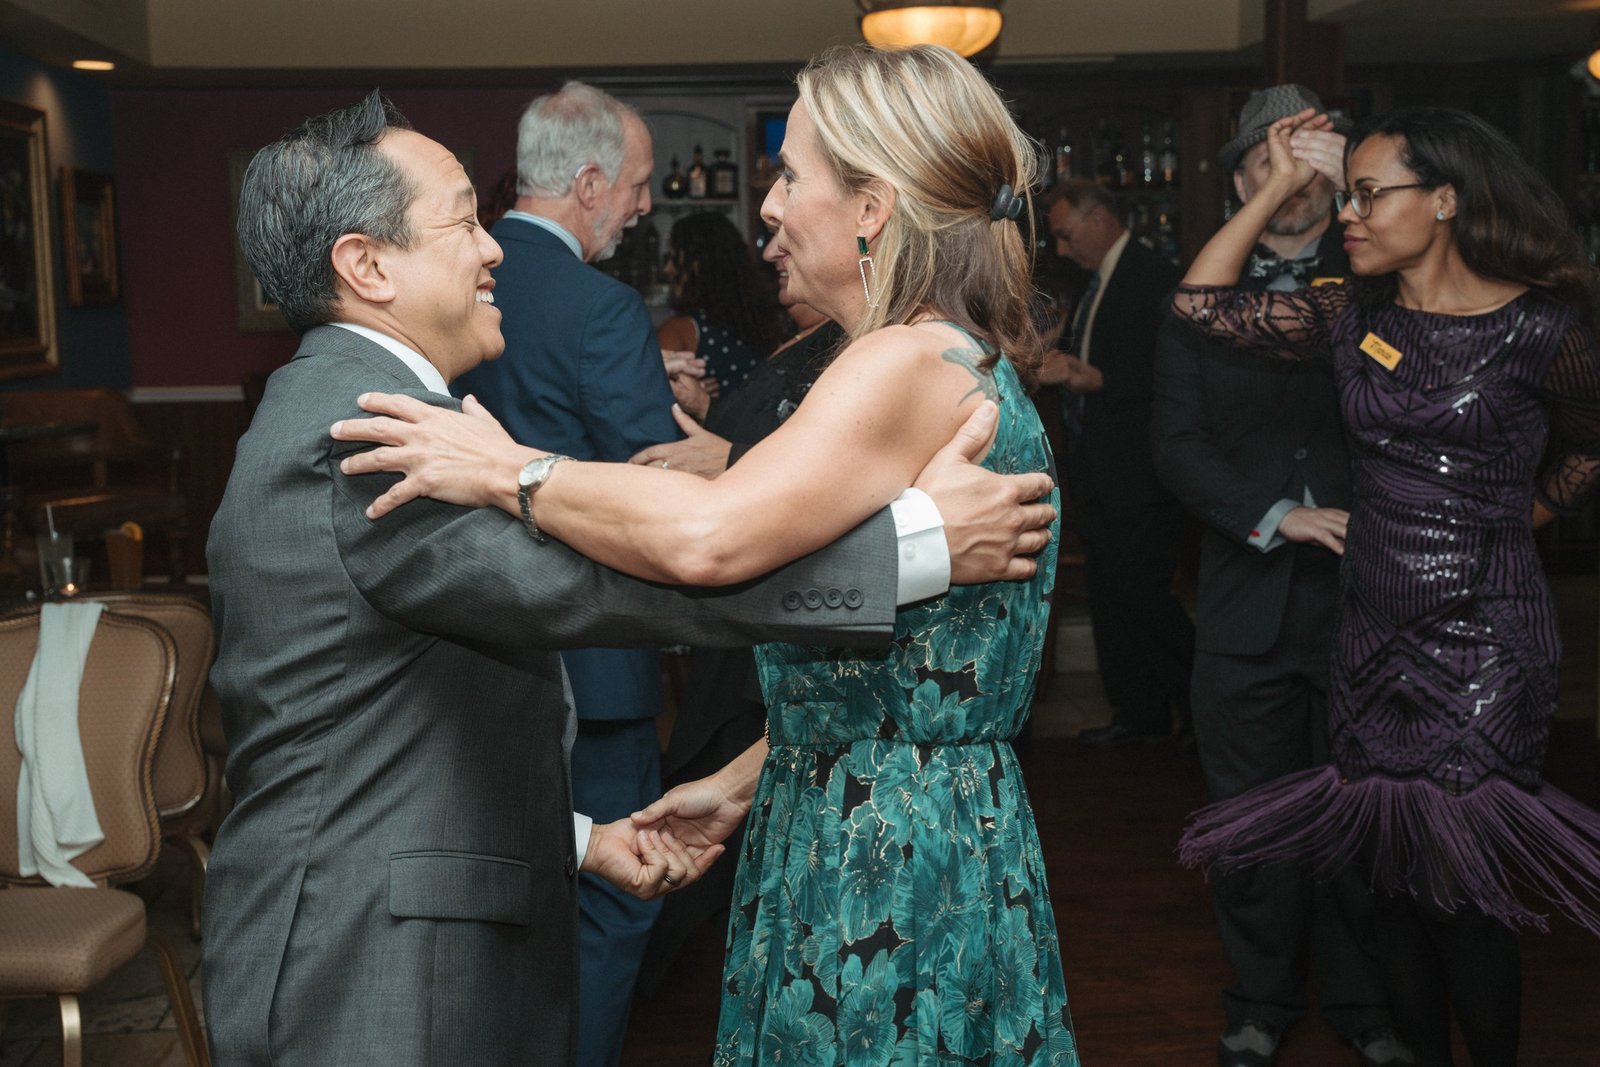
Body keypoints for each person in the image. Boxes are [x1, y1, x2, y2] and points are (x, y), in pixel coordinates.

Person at [209, 89, 1053, 1067]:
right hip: (366, 963)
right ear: (366, 265)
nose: (494, 251)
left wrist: (579, 838)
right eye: (466, 223)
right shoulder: (362, 431)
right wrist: (913, 542)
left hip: (396, 934)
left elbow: (399, 716)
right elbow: (600, 582)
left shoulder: (383, 413)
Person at [1174, 104, 1600, 1067]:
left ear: (1445, 200)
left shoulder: (1541, 329)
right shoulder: (1348, 314)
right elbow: (1199, 305)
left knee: (1460, 892)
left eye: (1368, 195)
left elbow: (1589, 445)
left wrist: (1509, 522)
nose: (1349, 214)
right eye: (1348, 194)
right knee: (1395, 890)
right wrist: (1278, 185)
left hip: (1488, 644)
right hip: (1371, 633)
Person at [1151, 84, 1404, 1067]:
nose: (1293, 176)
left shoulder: (1384, 278)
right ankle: (1258, 998)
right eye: (1271, 159)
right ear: (1242, 179)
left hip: (1368, 603)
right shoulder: (1204, 290)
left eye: (1313, 160)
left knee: (1361, 817)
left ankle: (1365, 1000)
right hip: (1243, 601)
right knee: (1253, 820)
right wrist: (1274, 515)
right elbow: (1176, 444)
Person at [448, 82, 678, 1067]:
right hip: (594, 655)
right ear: (588, 184)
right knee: (611, 900)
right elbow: (652, 484)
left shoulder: (452, 286)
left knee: (503, 891)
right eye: (636, 185)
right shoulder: (604, 308)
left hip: (467, 640)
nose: (643, 207)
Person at [629, 250, 844, 995]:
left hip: (782, 634)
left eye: (789, 196)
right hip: (753, 631)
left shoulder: (873, 353)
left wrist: (517, 476)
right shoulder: (809, 343)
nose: (769, 240)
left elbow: (839, 495)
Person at [1043, 179, 1194, 746]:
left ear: (1099, 218)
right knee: (1111, 597)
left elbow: (1174, 373)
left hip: (1140, 473)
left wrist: (1097, 378)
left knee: (1145, 598)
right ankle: (1138, 715)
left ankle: (1198, 713)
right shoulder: (1096, 280)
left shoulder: (1153, 276)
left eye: (1066, 234)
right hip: (1100, 470)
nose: (1061, 249)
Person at [656, 210, 785, 401]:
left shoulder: (679, 330)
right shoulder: (762, 321)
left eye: (674, 258)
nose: (668, 269)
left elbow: (653, 397)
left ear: (699, 263)